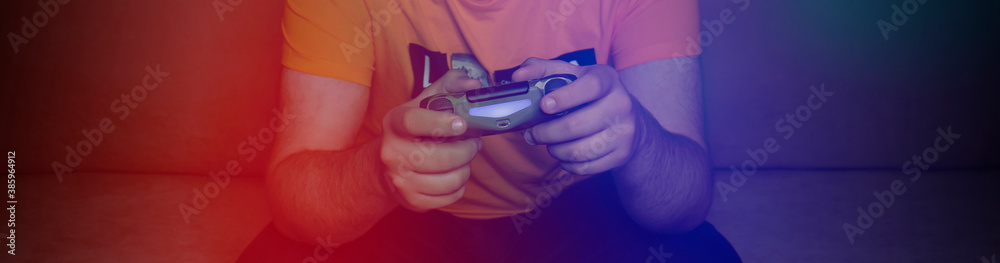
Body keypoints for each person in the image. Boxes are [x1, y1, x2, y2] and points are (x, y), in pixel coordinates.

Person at [238, 0, 741, 262]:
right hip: (403, 213)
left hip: (583, 204)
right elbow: (292, 202)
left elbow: (686, 204)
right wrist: (378, 172)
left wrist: (640, 142)